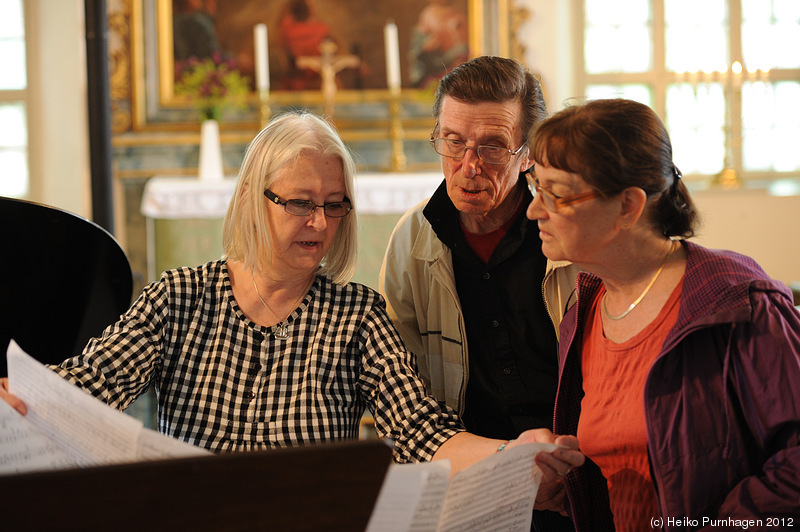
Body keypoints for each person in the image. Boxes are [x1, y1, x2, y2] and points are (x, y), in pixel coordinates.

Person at [1, 111, 582, 487]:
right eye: (300, 202)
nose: (319, 222)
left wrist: (513, 453)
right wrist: (15, 393)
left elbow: (422, 434)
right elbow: (84, 387)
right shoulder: (180, 296)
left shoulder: (356, 314)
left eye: (334, 205)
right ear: (257, 198)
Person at [525, 98, 800, 530]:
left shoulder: (738, 303)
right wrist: (559, 472)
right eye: (535, 187)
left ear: (628, 207)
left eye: (556, 195)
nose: (534, 210)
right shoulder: (585, 310)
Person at [379, 56, 579, 530]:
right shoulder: (412, 239)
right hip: (467, 478)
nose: (468, 166)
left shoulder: (566, 233)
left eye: (492, 147)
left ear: (528, 153)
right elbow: (405, 394)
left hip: (574, 472)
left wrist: (564, 472)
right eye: (453, 142)